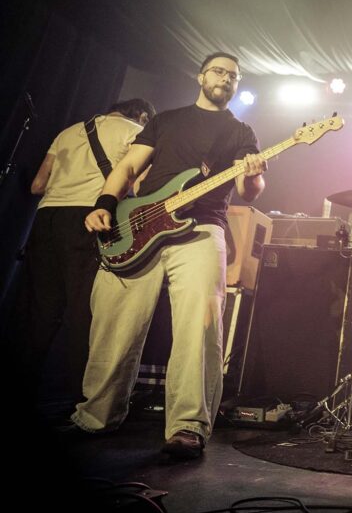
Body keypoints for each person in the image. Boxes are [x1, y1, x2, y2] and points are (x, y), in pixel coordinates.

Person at [71, 53, 266, 459]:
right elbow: (128, 167)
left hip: (202, 229)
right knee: (113, 322)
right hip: (140, 225)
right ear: (201, 76)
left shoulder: (241, 131)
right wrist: (105, 203)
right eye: (218, 71)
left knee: (201, 326)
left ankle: (188, 427)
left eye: (233, 75)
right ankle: (96, 416)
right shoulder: (166, 120)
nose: (225, 78)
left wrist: (253, 175)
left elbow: (249, 192)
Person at [11, 99, 154, 407]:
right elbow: (142, 186)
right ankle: (80, 399)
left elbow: (38, 185)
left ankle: (18, 394)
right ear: (142, 116)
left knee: (40, 312)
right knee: (84, 310)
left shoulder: (68, 132)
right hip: (90, 217)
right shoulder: (135, 132)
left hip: (46, 219)